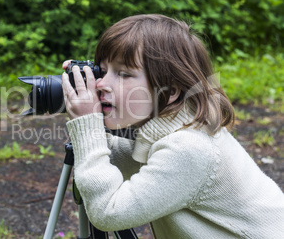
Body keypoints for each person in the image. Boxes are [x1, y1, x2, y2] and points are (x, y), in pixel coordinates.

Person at [61, 14, 284, 238]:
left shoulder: (188, 148)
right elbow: (123, 159)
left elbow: (108, 213)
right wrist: (87, 128)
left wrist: (88, 129)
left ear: (171, 91)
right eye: (101, 71)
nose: (101, 84)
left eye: (124, 74)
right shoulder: (172, 128)